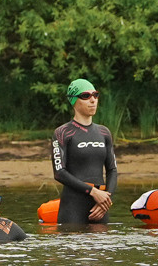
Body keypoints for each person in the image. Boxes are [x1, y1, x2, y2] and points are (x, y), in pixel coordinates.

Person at [50, 79, 118, 227]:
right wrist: (93, 192)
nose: (93, 100)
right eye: (86, 96)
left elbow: (112, 170)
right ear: (74, 101)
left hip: (100, 205)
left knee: (103, 248)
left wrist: (106, 200)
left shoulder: (104, 132)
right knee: (74, 249)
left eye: (95, 95)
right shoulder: (63, 132)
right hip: (73, 205)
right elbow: (59, 172)